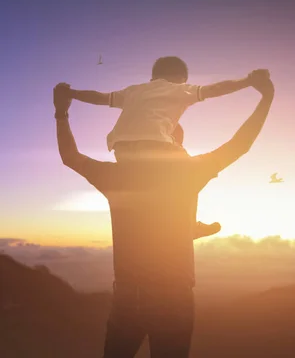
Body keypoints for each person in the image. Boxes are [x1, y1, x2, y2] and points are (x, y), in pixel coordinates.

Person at [53, 72, 274, 357]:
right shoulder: (189, 173)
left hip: (127, 296)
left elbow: (70, 156)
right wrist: (265, 99)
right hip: (174, 297)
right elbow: (240, 144)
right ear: (172, 142)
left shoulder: (117, 175)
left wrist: (61, 114)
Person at [62, 56, 266, 235]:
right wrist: (248, 81)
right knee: (185, 162)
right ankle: (191, 225)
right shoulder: (179, 89)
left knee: (177, 142)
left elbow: (99, 98)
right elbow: (215, 89)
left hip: (122, 150)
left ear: (154, 76)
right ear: (180, 78)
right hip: (155, 147)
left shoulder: (133, 91)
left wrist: (71, 94)